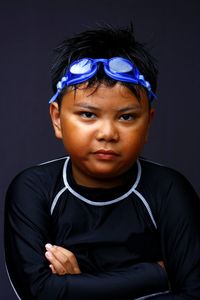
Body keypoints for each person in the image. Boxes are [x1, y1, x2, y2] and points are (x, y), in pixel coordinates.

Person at [4, 25, 200, 300]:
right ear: (57, 119)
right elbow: (39, 292)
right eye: (87, 114)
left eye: (127, 117)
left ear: (148, 124)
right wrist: (156, 275)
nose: (107, 133)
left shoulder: (168, 190)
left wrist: (79, 287)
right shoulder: (34, 190)